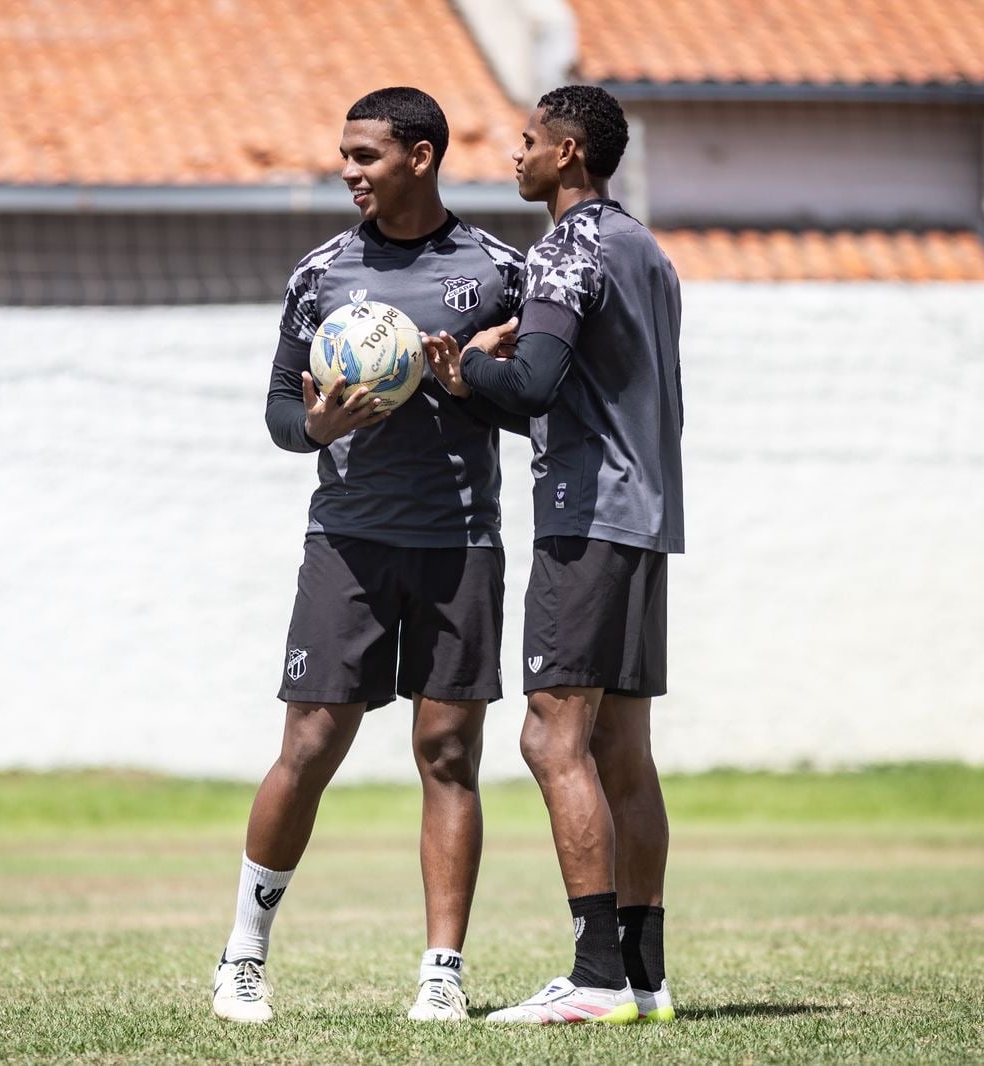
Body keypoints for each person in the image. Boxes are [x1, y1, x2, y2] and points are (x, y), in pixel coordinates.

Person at [211, 86, 527, 1025]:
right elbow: (277, 410)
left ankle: (442, 974)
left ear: (420, 158)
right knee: (309, 744)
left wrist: (465, 379)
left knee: (448, 752)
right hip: (346, 541)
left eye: (366, 156)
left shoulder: (498, 272)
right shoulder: (320, 276)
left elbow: (531, 403)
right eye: (345, 156)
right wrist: (312, 427)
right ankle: (243, 959)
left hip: (460, 541)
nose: (349, 171)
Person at [424, 84, 683, 1026]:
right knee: (625, 749)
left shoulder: (566, 247)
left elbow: (532, 383)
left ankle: (597, 977)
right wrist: (484, 372)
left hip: (586, 517)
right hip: (649, 519)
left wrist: (466, 368)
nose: (515, 156)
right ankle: (646, 980)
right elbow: (566, 385)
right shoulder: (646, 249)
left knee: (548, 733)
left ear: (569, 153)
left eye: (528, 142)